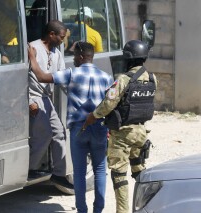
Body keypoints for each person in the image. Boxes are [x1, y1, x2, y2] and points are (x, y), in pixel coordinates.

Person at [28, 41, 113, 213]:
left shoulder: (72, 74)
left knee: (79, 172)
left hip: (78, 129)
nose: (73, 58)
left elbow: (42, 77)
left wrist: (32, 57)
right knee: (100, 170)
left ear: (82, 57)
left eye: (74, 55)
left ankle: (82, 210)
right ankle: (98, 209)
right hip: (99, 127)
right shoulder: (106, 77)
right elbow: (111, 104)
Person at [82, 40, 157, 213]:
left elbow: (108, 103)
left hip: (122, 135)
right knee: (139, 171)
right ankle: (145, 207)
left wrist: (92, 116)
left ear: (128, 59)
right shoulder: (153, 79)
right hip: (140, 132)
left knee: (119, 176)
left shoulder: (124, 80)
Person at [28, 20, 73, 189]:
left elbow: (61, 79)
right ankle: (31, 168)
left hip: (46, 98)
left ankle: (59, 174)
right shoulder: (32, 48)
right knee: (45, 133)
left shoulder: (57, 53)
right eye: (61, 37)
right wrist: (29, 101)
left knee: (59, 132)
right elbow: (20, 78)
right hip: (34, 97)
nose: (63, 41)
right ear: (51, 34)